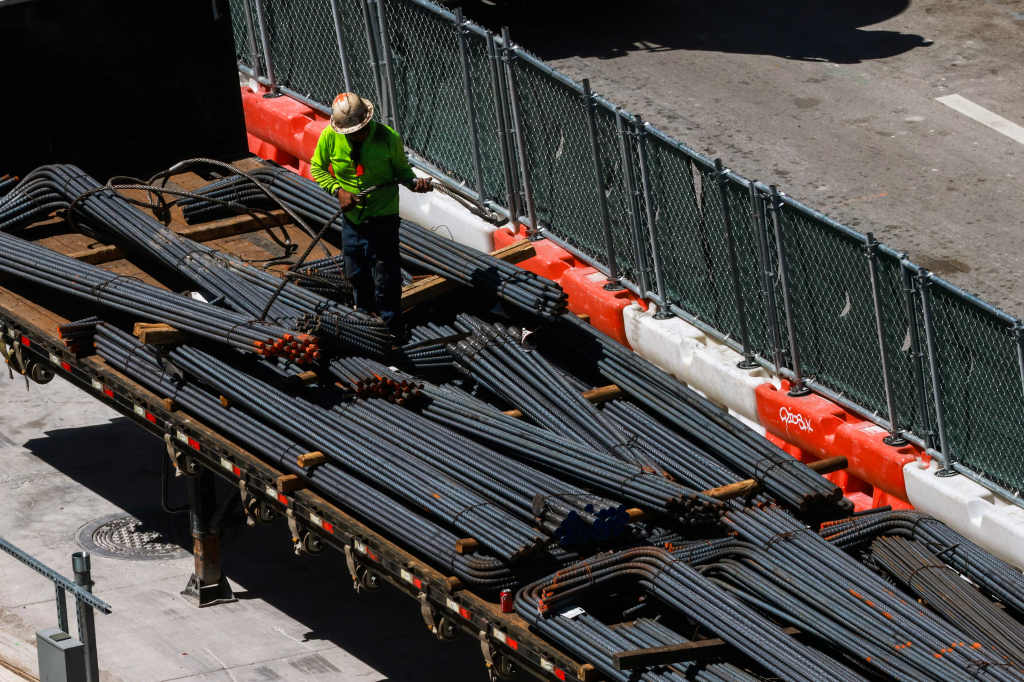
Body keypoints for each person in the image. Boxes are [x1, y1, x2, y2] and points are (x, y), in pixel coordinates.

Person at [310, 92, 432, 341]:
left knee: (385, 277)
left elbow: (401, 171)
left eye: (361, 130)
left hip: (383, 218)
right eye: (352, 133)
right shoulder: (330, 136)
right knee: (355, 272)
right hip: (353, 221)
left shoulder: (388, 138)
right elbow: (317, 167)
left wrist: (415, 183)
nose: (358, 135)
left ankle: (392, 329)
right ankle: (364, 321)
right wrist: (338, 190)